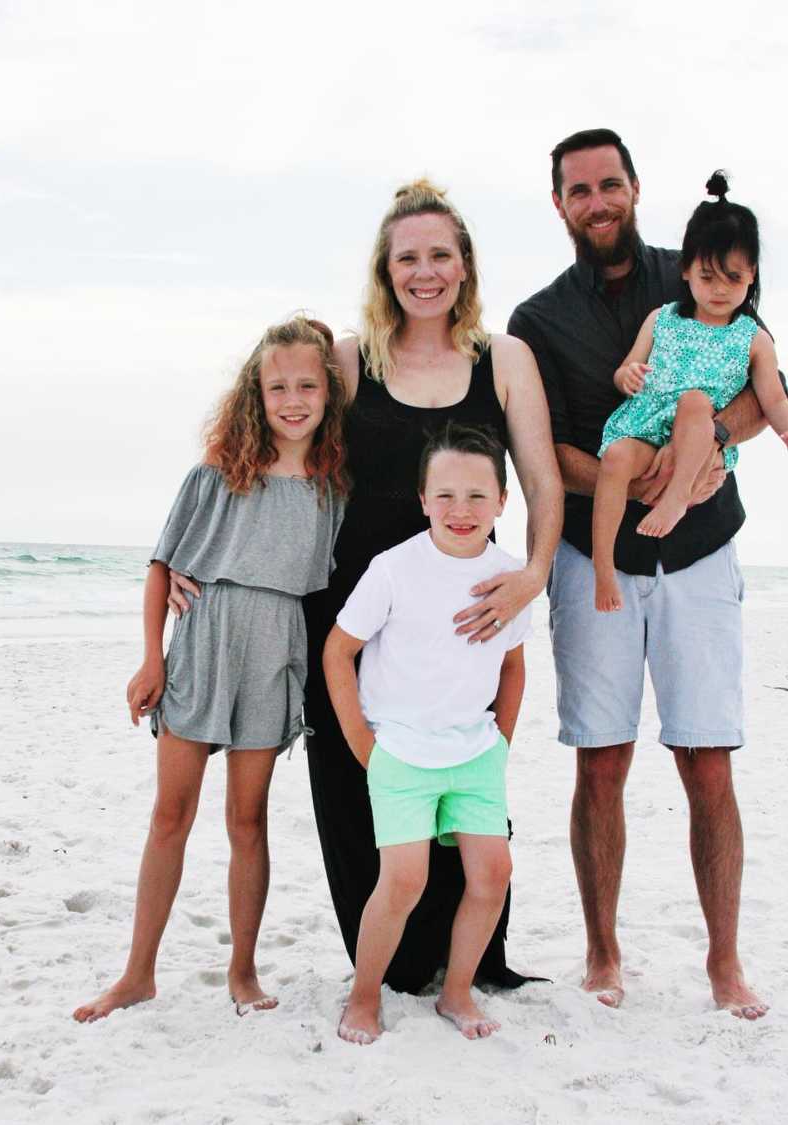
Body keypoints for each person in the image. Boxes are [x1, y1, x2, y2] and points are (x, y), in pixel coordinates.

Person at [172, 180, 562, 992]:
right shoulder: (351, 359)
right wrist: (192, 547)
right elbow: (268, 428)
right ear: (387, 270)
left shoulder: (508, 359)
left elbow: (543, 479)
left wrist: (531, 574)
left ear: (465, 266)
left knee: (462, 772)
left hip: (463, 610)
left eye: (440, 256)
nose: (425, 272)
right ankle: (388, 965)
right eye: (407, 257)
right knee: (355, 781)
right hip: (350, 597)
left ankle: (469, 961)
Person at [508, 129, 775, 1019]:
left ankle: (726, 963)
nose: (598, 202)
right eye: (579, 190)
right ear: (559, 205)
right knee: (602, 762)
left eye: (609, 184)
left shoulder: (702, 271)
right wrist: (633, 475)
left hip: (702, 556)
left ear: (634, 187)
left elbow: (766, 390)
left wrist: (716, 446)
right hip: (597, 559)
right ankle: (601, 952)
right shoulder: (537, 320)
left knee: (709, 762)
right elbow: (539, 449)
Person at [72, 316, 348, 1023]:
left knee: (246, 819)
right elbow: (163, 567)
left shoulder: (333, 487)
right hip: (201, 645)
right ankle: (137, 972)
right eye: (277, 384)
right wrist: (150, 657)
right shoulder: (216, 474)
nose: (292, 399)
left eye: (307, 385)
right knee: (171, 813)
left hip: (273, 651)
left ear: (329, 392)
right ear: (255, 393)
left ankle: (243, 970)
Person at [323, 424, 531, 1044]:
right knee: (405, 879)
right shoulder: (393, 569)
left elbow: (514, 665)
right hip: (401, 751)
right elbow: (338, 653)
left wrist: (503, 741)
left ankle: (457, 991)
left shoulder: (511, 575)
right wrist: (364, 743)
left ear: (502, 502)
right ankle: (364, 997)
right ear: (421, 500)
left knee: (492, 874)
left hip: (475, 750)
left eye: (476, 496)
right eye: (444, 495)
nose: (460, 510)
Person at [592, 171, 788, 611]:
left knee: (695, 401)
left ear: (751, 276)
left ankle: (675, 500)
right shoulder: (662, 319)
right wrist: (627, 376)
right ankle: (602, 569)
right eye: (708, 277)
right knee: (613, 460)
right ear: (686, 271)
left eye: (733, 277)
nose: (720, 288)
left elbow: (774, 397)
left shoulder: (753, 338)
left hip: (696, 438)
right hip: (646, 426)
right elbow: (626, 369)